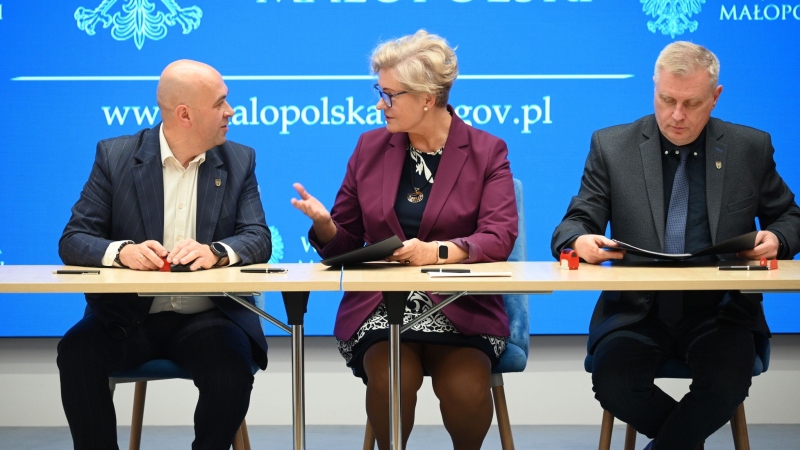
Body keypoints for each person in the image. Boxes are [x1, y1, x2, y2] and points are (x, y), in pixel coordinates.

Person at [551, 41, 800, 450]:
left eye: (691, 103)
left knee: (725, 384)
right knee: (614, 383)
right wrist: (580, 240)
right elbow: (573, 224)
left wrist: (777, 238)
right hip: (635, 312)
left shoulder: (749, 148)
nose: (677, 115)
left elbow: (790, 216)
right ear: (654, 87)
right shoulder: (612, 146)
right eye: (667, 100)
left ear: (715, 97)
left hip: (721, 312)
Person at [291, 30, 517, 450]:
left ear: (427, 98)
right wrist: (325, 226)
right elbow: (347, 243)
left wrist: (437, 252)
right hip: (381, 308)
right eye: (380, 92)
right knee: (392, 379)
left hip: (461, 308)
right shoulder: (370, 147)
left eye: (390, 95)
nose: (380, 104)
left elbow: (499, 235)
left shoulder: (487, 151)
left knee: (466, 389)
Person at [57, 60, 272, 450]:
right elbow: (74, 239)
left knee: (231, 370)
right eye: (220, 103)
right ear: (185, 114)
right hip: (127, 319)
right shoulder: (115, 157)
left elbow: (258, 237)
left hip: (208, 317)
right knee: (76, 353)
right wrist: (122, 252)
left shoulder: (239, 161)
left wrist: (217, 252)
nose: (231, 111)